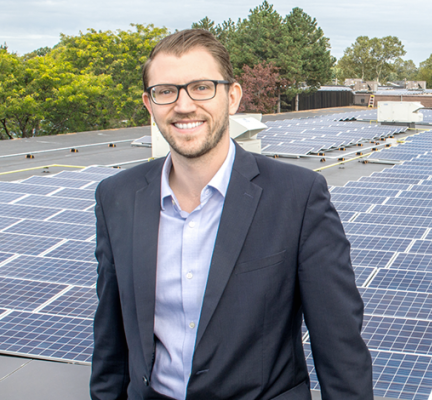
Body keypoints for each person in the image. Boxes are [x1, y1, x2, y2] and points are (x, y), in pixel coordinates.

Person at [90, 29, 373, 400]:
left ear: (233, 96)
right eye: (166, 91)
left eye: (202, 87)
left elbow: (340, 348)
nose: (184, 105)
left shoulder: (297, 197)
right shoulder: (117, 197)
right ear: (149, 103)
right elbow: (110, 339)